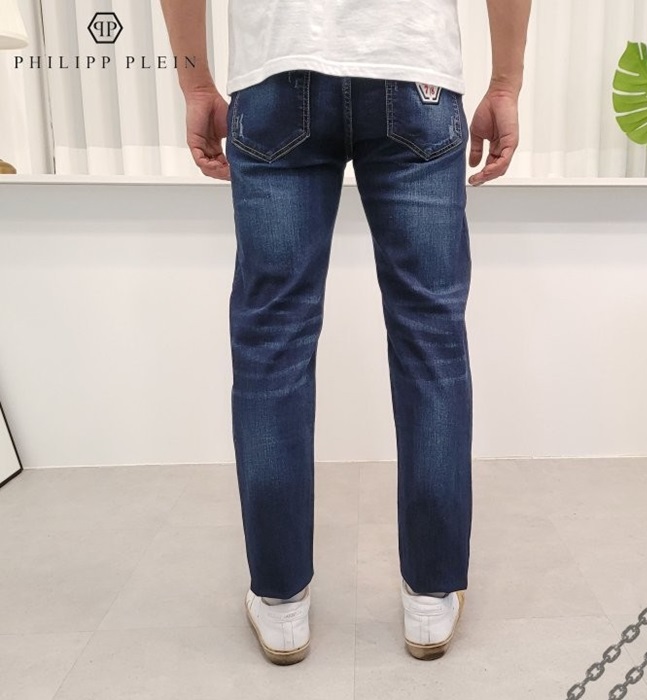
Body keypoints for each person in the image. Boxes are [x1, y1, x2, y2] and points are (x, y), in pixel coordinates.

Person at [161, 0, 530, 666]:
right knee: (431, 338)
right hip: (413, 69)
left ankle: (281, 603)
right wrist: (504, 82)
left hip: (276, 69)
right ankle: (430, 596)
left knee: (272, 343)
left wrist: (194, 82)